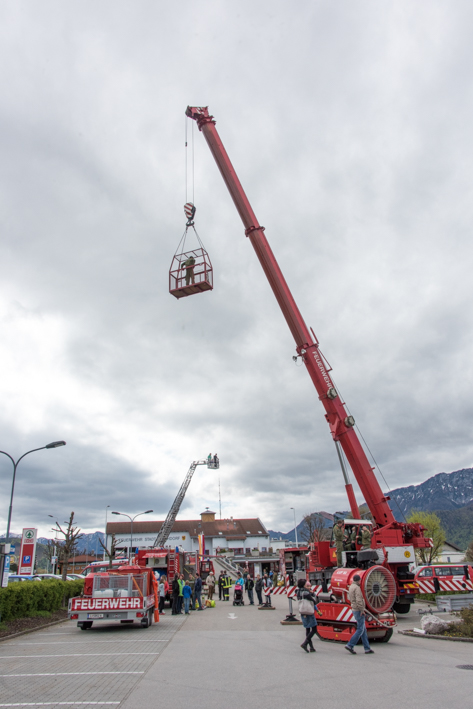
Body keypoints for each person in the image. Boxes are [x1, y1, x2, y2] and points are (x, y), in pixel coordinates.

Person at [345, 574, 374, 655]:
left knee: (363, 629)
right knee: (360, 629)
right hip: (358, 610)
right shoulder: (357, 588)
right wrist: (362, 609)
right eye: (360, 580)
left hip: (354, 608)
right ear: (358, 580)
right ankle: (350, 645)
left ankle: (367, 648)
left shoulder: (351, 587)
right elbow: (359, 600)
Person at [297, 578, 322, 652]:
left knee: (307, 629)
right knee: (314, 629)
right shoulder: (306, 593)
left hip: (303, 612)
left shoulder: (298, 592)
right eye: (305, 584)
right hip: (309, 612)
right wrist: (312, 593)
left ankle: (311, 647)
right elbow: (314, 601)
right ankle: (305, 643)